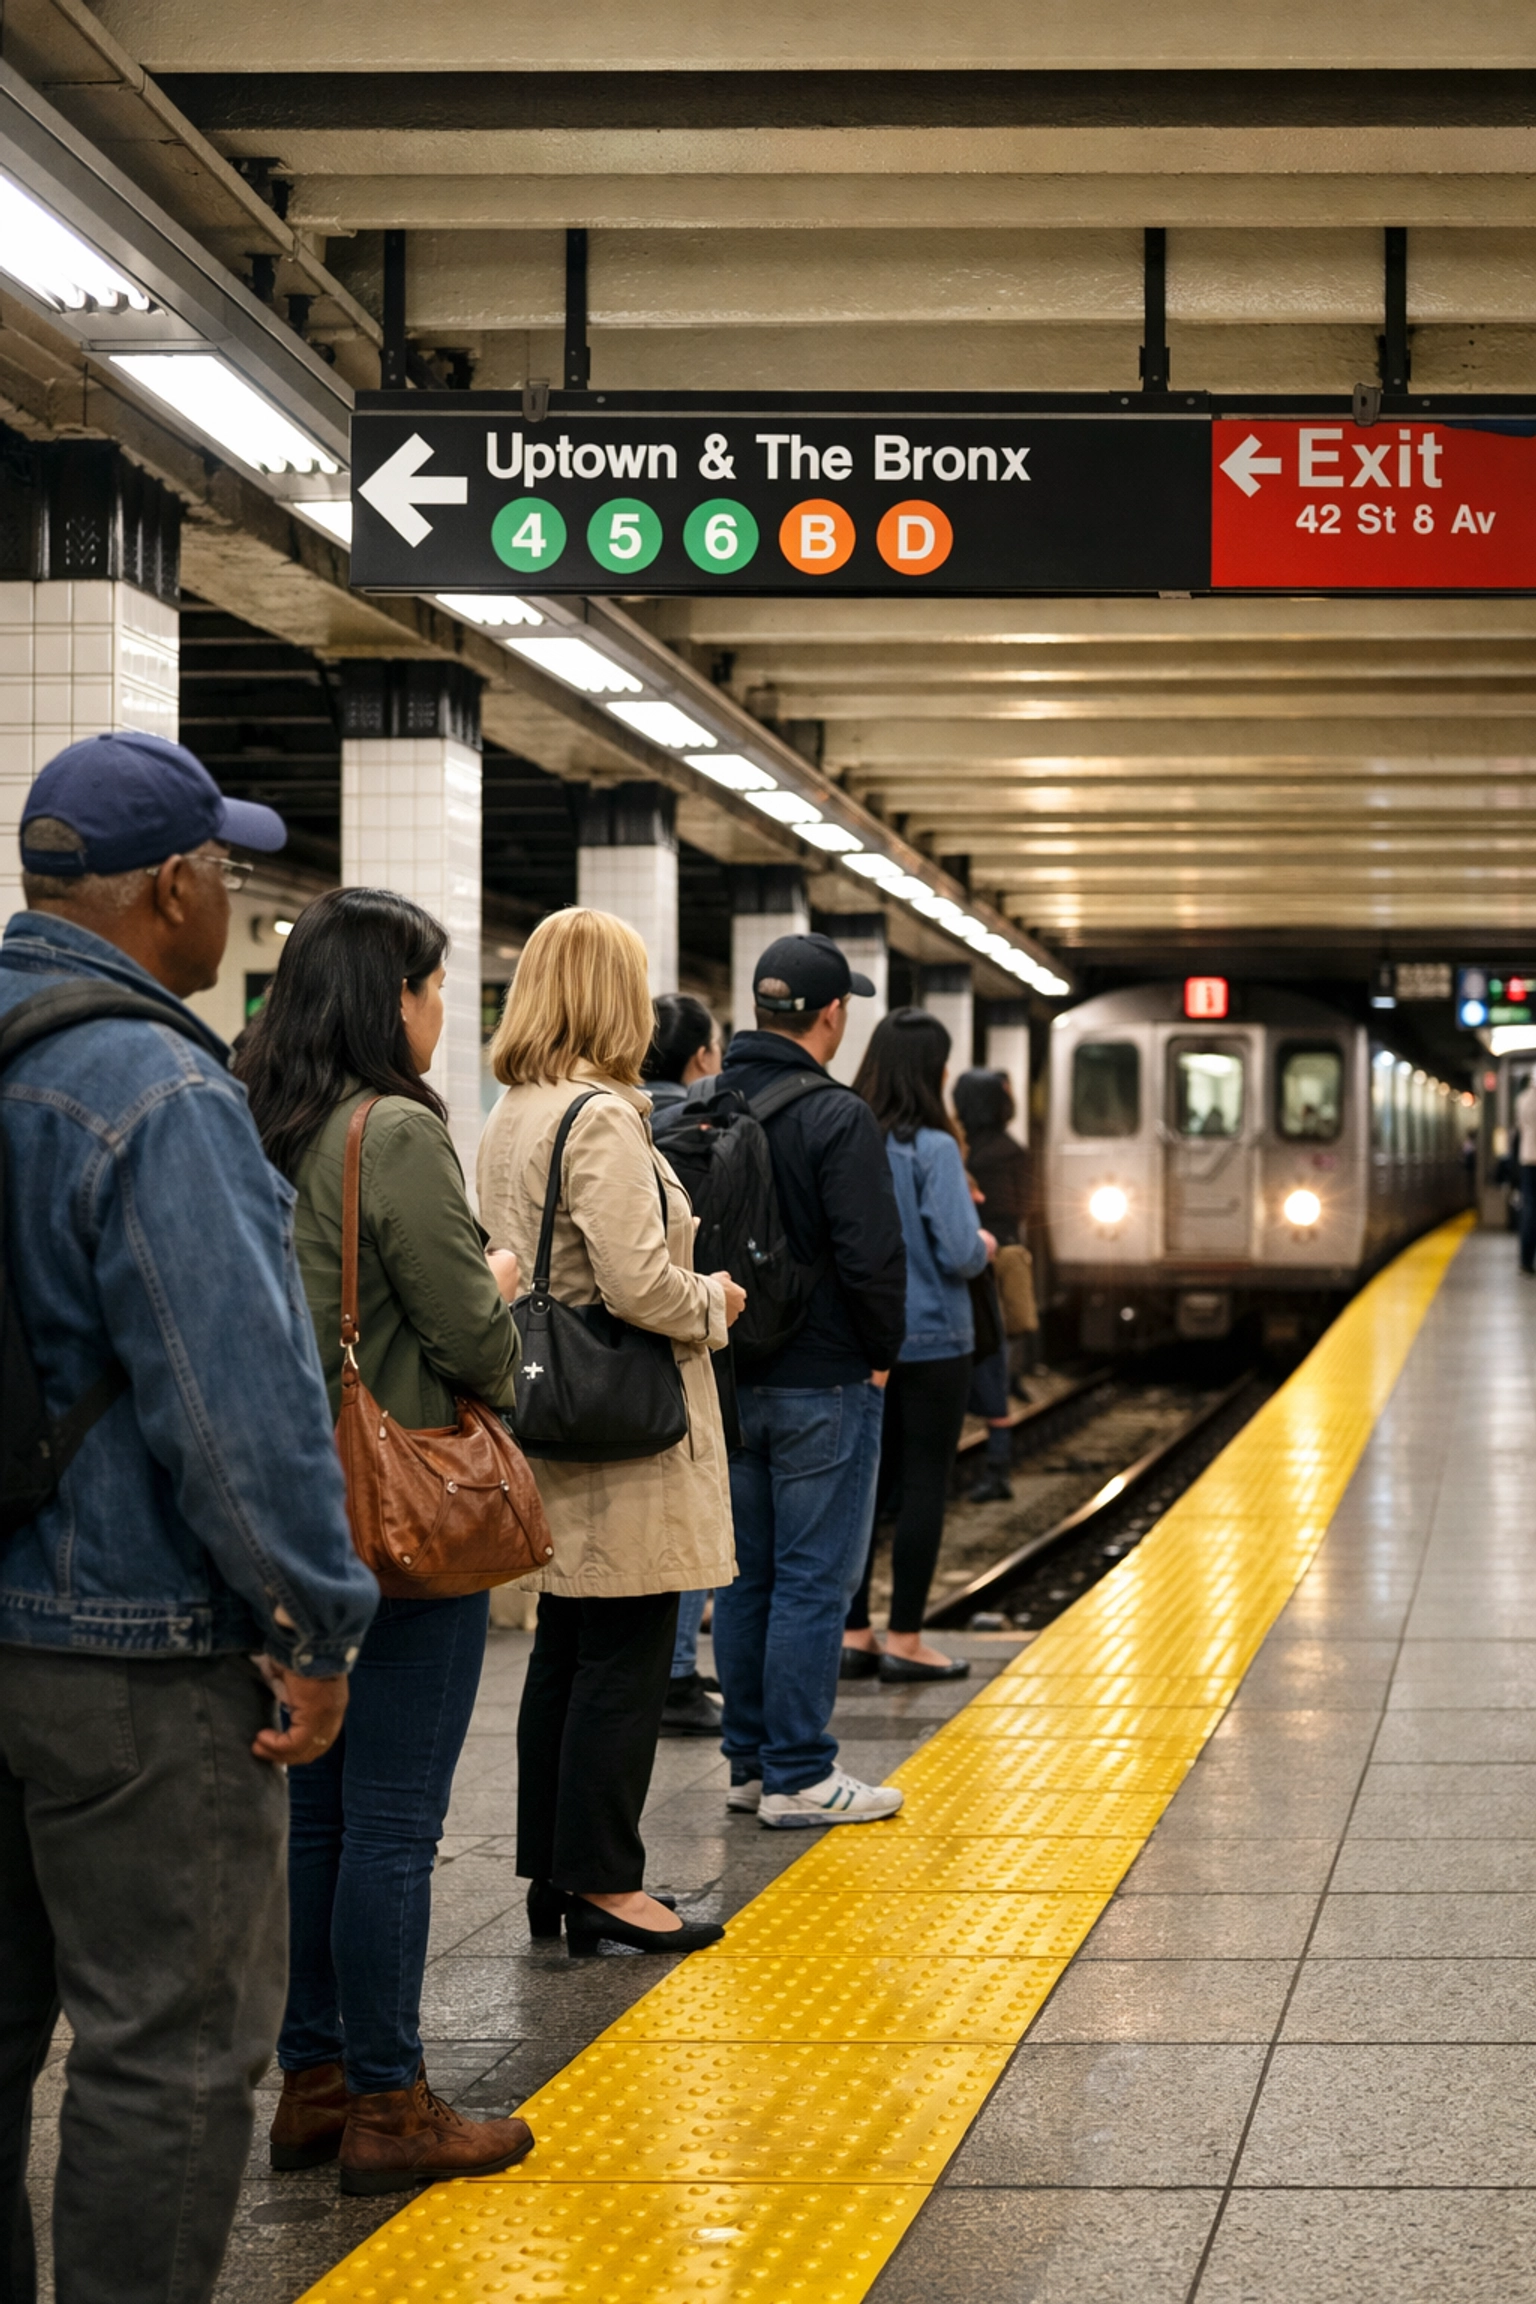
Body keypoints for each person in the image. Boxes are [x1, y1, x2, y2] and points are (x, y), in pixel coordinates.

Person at [0, 734, 378, 2304]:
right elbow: (235, 1409)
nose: (232, 896)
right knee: (166, 2052)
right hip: (129, 1657)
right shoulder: (158, 1088)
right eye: (226, 868)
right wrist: (314, 1617)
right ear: (174, 887)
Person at [235, 885, 534, 2194]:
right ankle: (391, 2105)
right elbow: (470, 1340)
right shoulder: (393, 1132)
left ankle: (312, 2081)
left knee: (321, 1816)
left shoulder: (262, 1122)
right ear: (387, 1000)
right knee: (396, 1827)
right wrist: (505, 1292)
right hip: (400, 1514)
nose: (441, 1013)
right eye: (432, 990)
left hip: (293, 1504)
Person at [478, 908, 743, 1953]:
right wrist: (712, 1301)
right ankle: (606, 1884)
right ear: (610, 998)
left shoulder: (516, 1109)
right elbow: (635, 1281)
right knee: (624, 1660)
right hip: (619, 1428)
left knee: (569, 1649)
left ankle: (556, 1869)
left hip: (553, 1409)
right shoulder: (599, 1116)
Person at [709, 932, 908, 1827]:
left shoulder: (710, 1103)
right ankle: (800, 1772)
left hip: (725, 1370)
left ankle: (750, 1763)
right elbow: (872, 1256)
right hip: (823, 1378)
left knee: (745, 1577)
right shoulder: (837, 1115)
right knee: (811, 1579)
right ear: (833, 1015)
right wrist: (881, 1352)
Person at [842, 1013, 993, 1683]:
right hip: (933, 1339)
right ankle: (905, 1637)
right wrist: (985, 1242)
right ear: (932, 1072)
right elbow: (961, 1252)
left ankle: (853, 1632)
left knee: (862, 1488)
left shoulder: (848, 1134)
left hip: (860, 1338)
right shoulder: (932, 1146)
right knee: (925, 1485)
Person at [642, 993, 727, 1738]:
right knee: (689, 1510)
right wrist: (714, 1302)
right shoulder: (706, 1127)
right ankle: (675, 1675)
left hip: (627, 1358)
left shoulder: (635, 1122)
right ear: (701, 1057)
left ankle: (668, 1672)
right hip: (695, 1332)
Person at [953, 1068, 1034, 1499]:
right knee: (995, 1364)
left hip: (978, 1268)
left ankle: (996, 1472)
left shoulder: (973, 1155)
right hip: (1003, 1263)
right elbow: (1024, 1205)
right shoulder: (1013, 1150)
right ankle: (998, 1467)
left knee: (981, 1365)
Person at [1516, 1068, 1536, 1274]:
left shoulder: (1523, 1099)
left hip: (1528, 1158)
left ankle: (1526, 1259)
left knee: (1529, 1208)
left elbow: (1522, 1127)